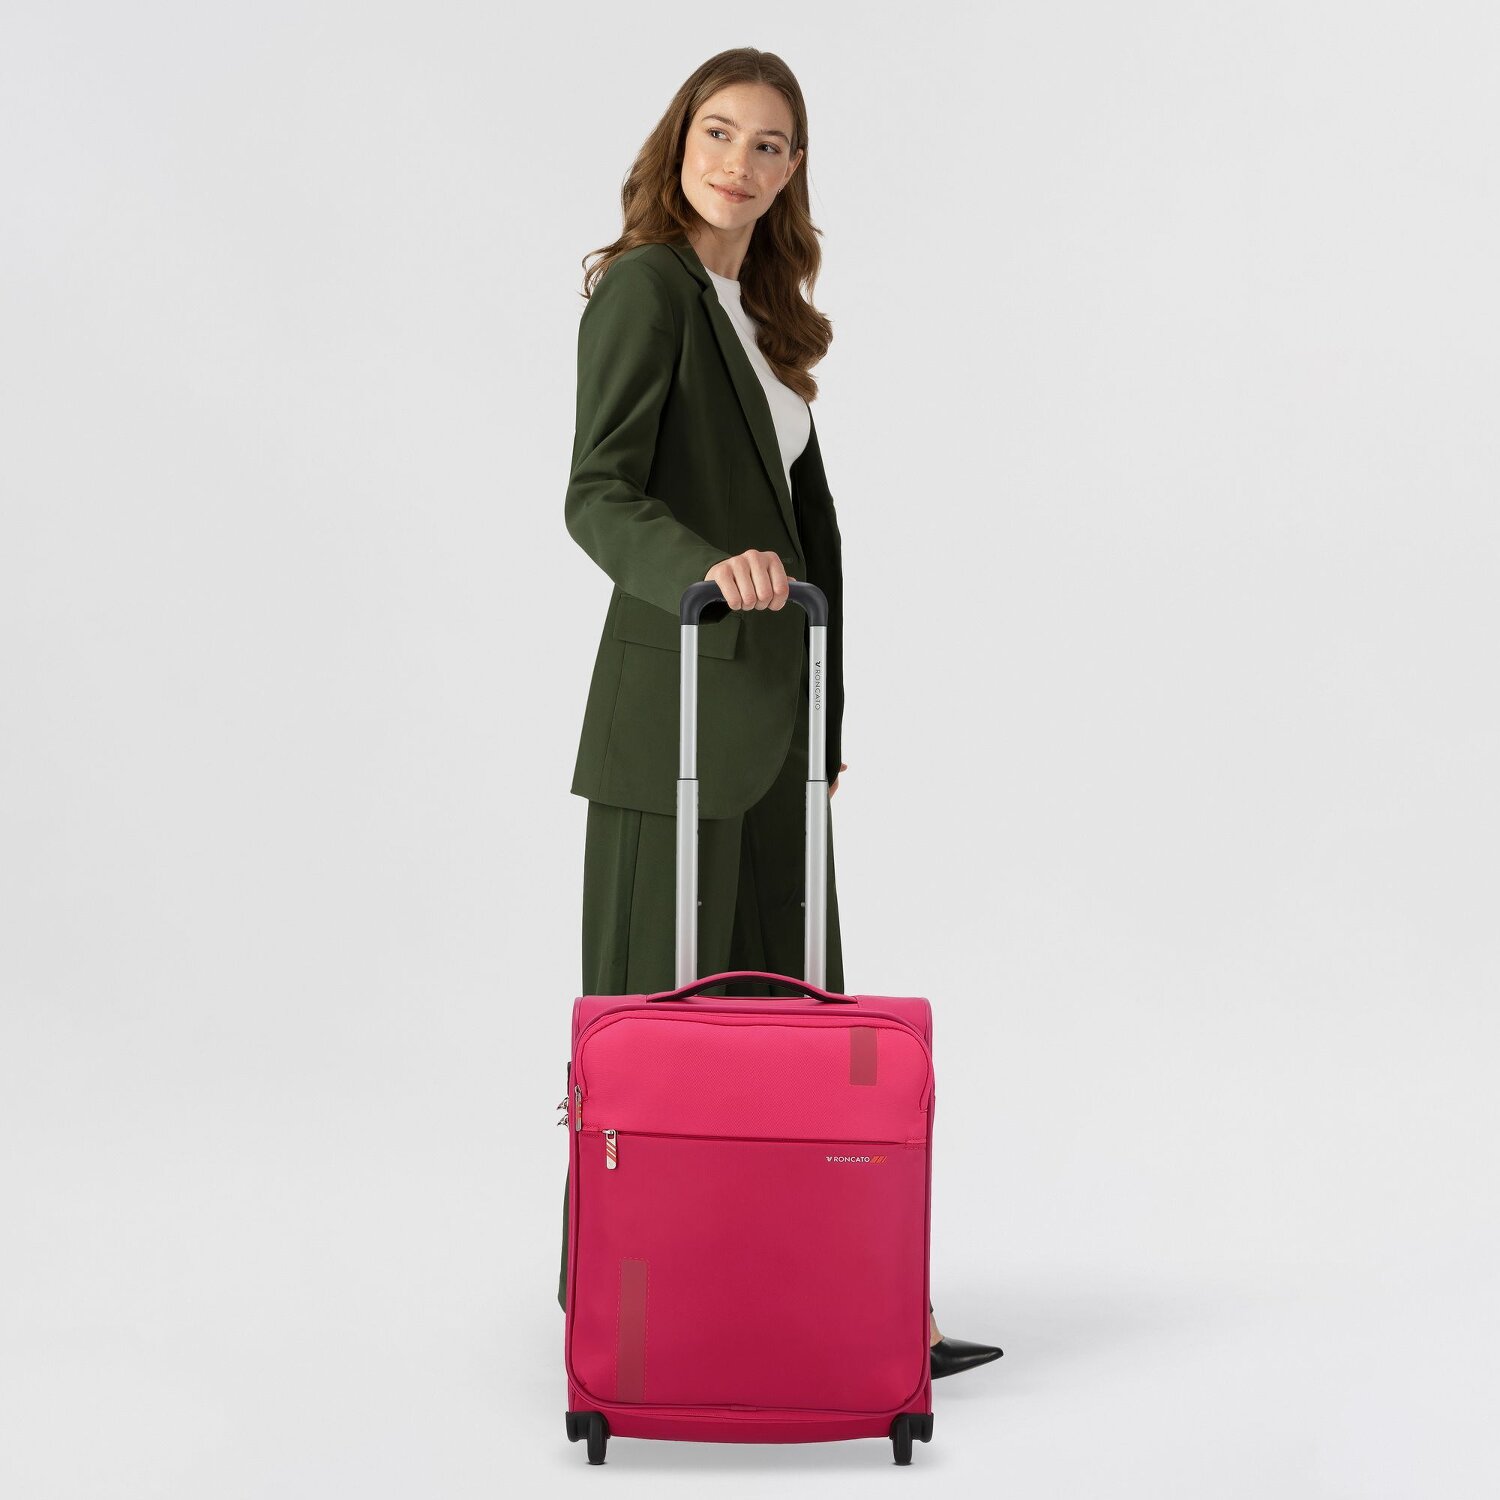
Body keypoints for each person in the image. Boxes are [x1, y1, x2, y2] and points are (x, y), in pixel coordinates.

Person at [558, 47, 1001, 1380]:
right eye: (718, 131)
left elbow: (817, 545)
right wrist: (704, 566)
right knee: (655, 1039)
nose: (738, 162)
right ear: (678, 139)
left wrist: (832, 723)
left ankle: (849, 1305)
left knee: (802, 1029)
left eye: (768, 144)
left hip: (780, 733)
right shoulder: (646, 288)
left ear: (793, 169)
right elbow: (597, 494)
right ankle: (631, 1315)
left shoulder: (763, 318)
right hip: (675, 726)